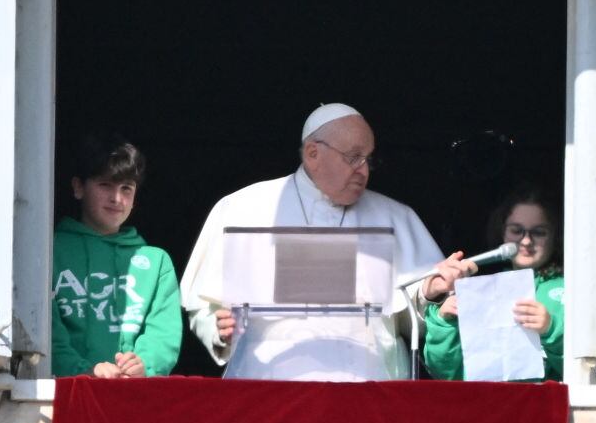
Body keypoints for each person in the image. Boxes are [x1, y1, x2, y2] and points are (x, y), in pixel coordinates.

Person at [179, 103, 445, 379]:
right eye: (354, 157)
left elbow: (417, 318)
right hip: (270, 384)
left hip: (369, 383)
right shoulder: (241, 208)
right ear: (313, 153)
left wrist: (428, 292)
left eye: (368, 159)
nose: (364, 170)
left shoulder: (394, 217)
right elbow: (206, 305)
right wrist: (219, 330)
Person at [51, 133, 182, 378]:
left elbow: (164, 333)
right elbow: (44, 333)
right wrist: (85, 371)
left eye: (126, 188)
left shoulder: (156, 262)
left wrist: (145, 364)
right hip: (62, 395)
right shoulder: (48, 251)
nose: (117, 198)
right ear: (78, 187)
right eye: (105, 185)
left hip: (134, 394)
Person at [422, 185, 564, 381]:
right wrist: (444, 323)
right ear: (502, 232)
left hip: (547, 405)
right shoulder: (483, 289)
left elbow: (589, 368)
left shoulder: (570, 288)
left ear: (555, 236)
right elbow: (445, 373)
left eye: (538, 232)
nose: (526, 241)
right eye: (516, 231)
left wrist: (551, 328)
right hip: (489, 404)